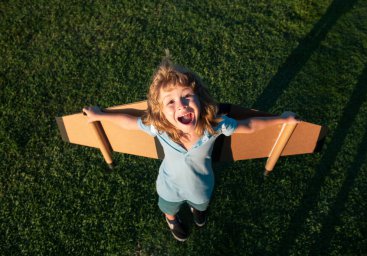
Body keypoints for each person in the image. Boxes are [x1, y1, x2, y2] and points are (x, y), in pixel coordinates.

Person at [83, 53, 298, 242]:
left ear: (200, 99)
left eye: (187, 96)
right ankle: (172, 220)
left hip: (201, 187)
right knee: (168, 208)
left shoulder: (215, 125)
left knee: (201, 205)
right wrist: (100, 115)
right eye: (170, 102)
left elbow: (249, 125)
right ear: (160, 112)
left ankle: (197, 210)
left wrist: (281, 120)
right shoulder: (159, 128)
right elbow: (128, 122)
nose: (182, 105)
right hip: (169, 187)